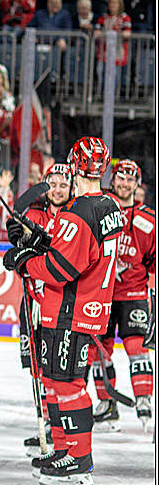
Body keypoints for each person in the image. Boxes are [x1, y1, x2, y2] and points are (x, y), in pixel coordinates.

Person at [4, 137, 122, 485]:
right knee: (55, 380)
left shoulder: (79, 210)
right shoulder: (109, 204)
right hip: (88, 307)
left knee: (67, 384)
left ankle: (79, 458)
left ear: (73, 165)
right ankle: (62, 446)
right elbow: (83, 250)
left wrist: (26, 261)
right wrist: (45, 241)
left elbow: (60, 269)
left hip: (70, 309)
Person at [91, 159, 154, 433]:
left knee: (137, 348)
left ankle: (144, 399)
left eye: (130, 179)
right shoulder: (98, 210)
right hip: (101, 294)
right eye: (120, 178)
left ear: (137, 185)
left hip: (134, 294)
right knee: (97, 351)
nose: (125, 184)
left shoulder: (149, 221)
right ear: (112, 180)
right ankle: (107, 404)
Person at [20, 163, 73, 452]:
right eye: (52, 183)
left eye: (63, 184)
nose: (57, 189)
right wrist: (19, 239)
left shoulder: (75, 216)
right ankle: (47, 425)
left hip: (61, 304)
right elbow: (18, 247)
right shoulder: (35, 215)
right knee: (37, 369)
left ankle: (62, 427)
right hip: (31, 302)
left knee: (59, 370)